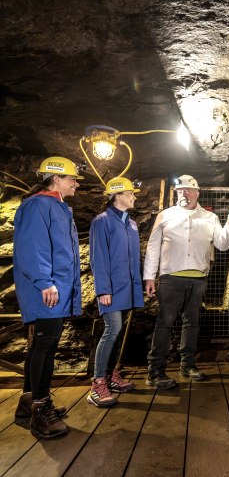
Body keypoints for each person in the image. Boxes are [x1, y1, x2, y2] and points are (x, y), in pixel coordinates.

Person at [143, 174, 229, 388]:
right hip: (171, 278)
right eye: (180, 190)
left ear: (197, 193)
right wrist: (149, 276)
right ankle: (155, 371)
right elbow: (153, 246)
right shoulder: (165, 215)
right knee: (165, 323)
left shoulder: (210, 218)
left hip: (198, 279)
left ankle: (187, 365)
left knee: (192, 323)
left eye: (188, 190)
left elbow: (222, 244)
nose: (183, 193)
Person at [12, 156, 83, 438]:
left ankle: (29, 402)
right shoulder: (39, 205)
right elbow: (33, 247)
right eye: (71, 179)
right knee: (46, 346)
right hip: (47, 289)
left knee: (41, 344)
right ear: (56, 179)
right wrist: (45, 282)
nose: (76, 183)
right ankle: (40, 412)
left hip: (56, 287)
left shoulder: (56, 206)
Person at [87, 177, 144, 407]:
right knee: (112, 329)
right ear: (118, 195)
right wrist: (103, 290)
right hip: (111, 288)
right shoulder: (101, 222)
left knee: (118, 332)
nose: (134, 197)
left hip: (127, 287)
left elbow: (133, 259)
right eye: (130, 193)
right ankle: (97, 383)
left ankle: (111, 376)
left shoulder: (131, 223)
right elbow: (98, 258)